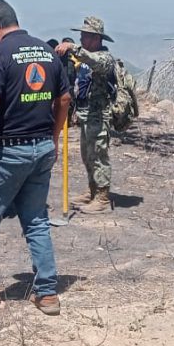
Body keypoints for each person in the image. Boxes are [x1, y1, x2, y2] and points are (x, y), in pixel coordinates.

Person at [0, 0, 70, 315]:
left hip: (8, 151)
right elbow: (64, 98)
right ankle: (47, 292)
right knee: (35, 220)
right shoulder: (46, 51)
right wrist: (55, 135)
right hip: (42, 148)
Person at [54, 16, 116, 215]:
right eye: (81, 35)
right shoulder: (84, 58)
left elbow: (92, 60)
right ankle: (92, 190)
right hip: (86, 115)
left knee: (98, 155)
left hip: (99, 115)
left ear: (96, 38)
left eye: (85, 36)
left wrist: (73, 48)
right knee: (87, 156)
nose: (81, 38)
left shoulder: (104, 58)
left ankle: (103, 197)